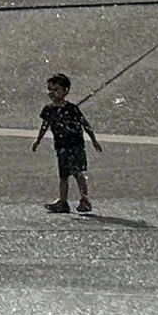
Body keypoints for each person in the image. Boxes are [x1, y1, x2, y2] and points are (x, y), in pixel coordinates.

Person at [33, 73, 102, 213]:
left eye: (57, 89)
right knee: (63, 176)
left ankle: (84, 200)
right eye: (50, 89)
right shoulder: (48, 109)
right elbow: (45, 125)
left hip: (75, 146)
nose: (52, 92)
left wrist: (94, 140)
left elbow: (84, 124)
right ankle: (63, 202)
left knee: (78, 173)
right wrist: (38, 140)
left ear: (66, 91)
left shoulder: (71, 109)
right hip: (61, 147)